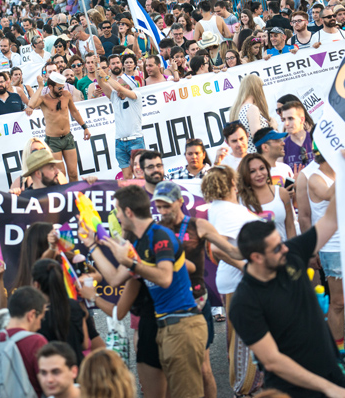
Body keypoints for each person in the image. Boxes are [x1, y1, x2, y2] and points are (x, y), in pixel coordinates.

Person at [84, 185, 207, 398]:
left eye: (118, 211)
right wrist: (92, 245)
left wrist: (131, 264)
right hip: (164, 326)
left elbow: (165, 278)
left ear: (129, 212)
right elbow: (114, 279)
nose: (117, 216)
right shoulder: (140, 243)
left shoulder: (159, 235)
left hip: (183, 324)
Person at [229, 190, 345, 398]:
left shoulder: (290, 253)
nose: (284, 249)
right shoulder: (244, 302)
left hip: (331, 371)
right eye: (276, 248)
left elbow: (331, 219)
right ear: (257, 257)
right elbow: (272, 360)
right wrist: (325, 387)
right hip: (292, 389)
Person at [151, 180, 244, 398]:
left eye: (167, 205)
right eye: (159, 206)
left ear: (180, 202)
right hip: (169, 304)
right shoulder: (156, 230)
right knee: (174, 368)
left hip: (196, 301)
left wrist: (255, 252)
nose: (163, 211)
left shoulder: (198, 225)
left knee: (203, 369)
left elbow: (231, 250)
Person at [201, 166, 263, 396]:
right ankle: (246, 387)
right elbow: (216, 248)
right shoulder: (226, 211)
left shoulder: (221, 207)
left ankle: (249, 386)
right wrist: (246, 268)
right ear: (230, 183)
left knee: (241, 338)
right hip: (239, 282)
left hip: (237, 281)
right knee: (244, 340)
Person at [307, 150, 344, 361]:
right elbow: (331, 195)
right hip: (333, 246)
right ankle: (337, 354)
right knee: (338, 302)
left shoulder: (342, 171)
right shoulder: (315, 177)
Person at [0, 286, 48, 398]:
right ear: (31, 315)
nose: (40, 325)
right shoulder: (37, 342)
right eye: (41, 319)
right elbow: (47, 383)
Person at [28, 73, 90, 182]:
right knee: (61, 175)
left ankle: (74, 197)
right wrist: (41, 86)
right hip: (53, 141)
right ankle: (65, 197)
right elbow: (31, 105)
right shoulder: (44, 99)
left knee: (74, 174)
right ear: (51, 87)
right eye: (59, 87)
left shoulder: (66, 95)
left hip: (67, 137)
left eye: (63, 87)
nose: (62, 89)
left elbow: (74, 111)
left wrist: (84, 127)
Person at [31, 259, 87, 366]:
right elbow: (84, 344)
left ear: (36, 285)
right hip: (77, 371)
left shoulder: (37, 315)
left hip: (51, 372)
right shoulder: (74, 305)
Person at [95, 70, 144, 179]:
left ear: (127, 86)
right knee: (127, 177)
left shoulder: (136, 96)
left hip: (135, 141)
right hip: (120, 143)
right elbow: (102, 84)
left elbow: (118, 88)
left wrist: (106, 76)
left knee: (140, 175)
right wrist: (98, 71)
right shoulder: (115, 97)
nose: (115, 86)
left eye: (119, 83)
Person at [237, 154, 296, 239]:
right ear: (245, 174)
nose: (259, 174)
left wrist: (293, 251)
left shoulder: (281, 193)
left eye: (262, 168)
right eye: (252, 171)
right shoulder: (240, 200)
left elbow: (290, 226)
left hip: (284, 249)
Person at [230, 74, 275, 152]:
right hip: (258, 155)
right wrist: (273, 127)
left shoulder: (238, 109)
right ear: (257, 88)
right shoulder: (251, 108)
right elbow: (257, 135)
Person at [281, 101, 314, 168]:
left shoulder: (315, 139)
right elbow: (282, 175)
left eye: (290, 118)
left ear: (302, 120)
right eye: (284, 119)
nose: (286, 123)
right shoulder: (282, 148)